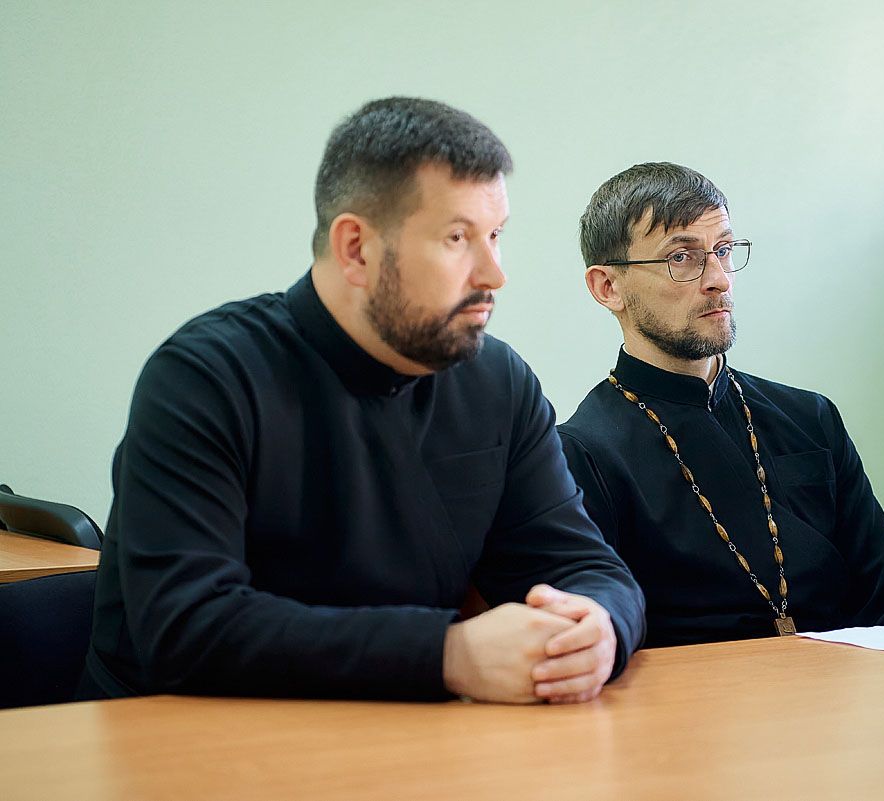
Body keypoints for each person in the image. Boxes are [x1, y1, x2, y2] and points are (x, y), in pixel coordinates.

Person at [81, 98, 644, 704]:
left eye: (496, 235)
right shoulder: (205, 377)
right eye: (457, 237)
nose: (494, 274)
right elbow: (186, 626)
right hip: (177, 736)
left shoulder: (497, 381)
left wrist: (598, 627)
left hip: (403, 733)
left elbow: (585, 567)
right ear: (356, 249)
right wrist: (447, 655)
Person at [558, 162, 884, 648]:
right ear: (608, 288)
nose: (718, 279)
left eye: (723, 250)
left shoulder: (811, 419)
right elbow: (601, 637)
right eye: (682, 257)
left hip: (841, 684)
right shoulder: (583, 453)